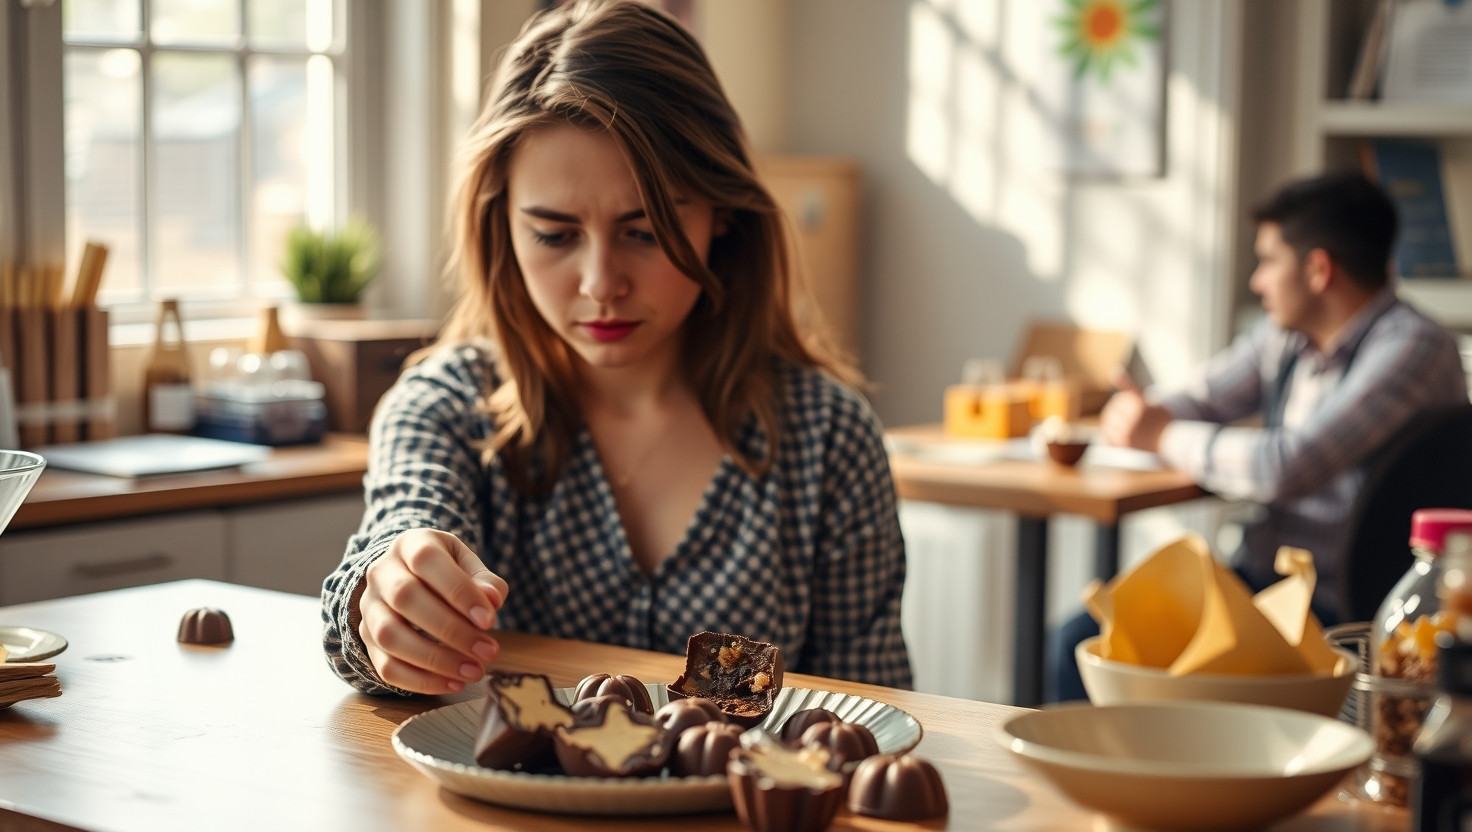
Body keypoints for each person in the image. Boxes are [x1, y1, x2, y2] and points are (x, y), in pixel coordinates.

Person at [321, 0, 912, 697]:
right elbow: (392, 543)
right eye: (554, 234)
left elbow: (870, 716)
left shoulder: (829, 438)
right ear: (499, 225)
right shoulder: (445, 408)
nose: (601, 285)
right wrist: (386, 598)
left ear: (723, 214)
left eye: (644, 230)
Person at [1050, 170, 1468, 702]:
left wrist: (1158, 433)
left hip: (1341, 607)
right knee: (1081, 642)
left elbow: (1285, 466)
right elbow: (1200, 397)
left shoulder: (1413, 348)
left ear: (1318, 269)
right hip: (1264, 584)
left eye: (1269, 260)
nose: (1257, 281)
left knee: (1086, 648)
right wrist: (1145, 415)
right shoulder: (1287, 337)